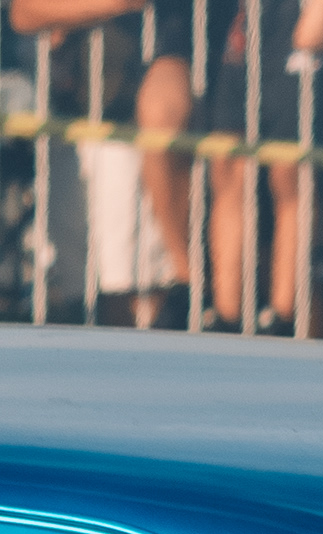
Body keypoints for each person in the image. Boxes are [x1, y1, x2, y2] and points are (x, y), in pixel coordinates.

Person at [5, 0, 210, 324]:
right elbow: (24, 13)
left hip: (127, 134)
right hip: (70, 133)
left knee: (138, 290)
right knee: (86, 295)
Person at [207, 0, 323, 330]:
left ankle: (283, 315)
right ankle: (226, 314)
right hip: (252, 27)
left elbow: (312, 35)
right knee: (227, 162)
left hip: (305, 33)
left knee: (290, 171)